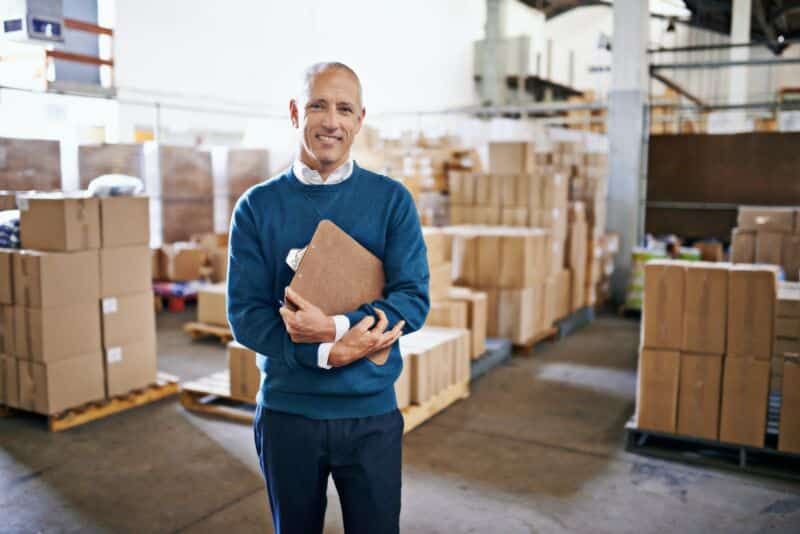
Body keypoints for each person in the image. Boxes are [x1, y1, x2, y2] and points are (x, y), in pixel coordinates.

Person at [227, 62, 430, 534]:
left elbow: (412, 299)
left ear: (360, 119)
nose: (331, 121)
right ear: (296, 112)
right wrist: (325, 353)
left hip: (370, 414)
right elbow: (246, 316)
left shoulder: (391, 201)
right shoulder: (257, 207)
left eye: (344, 108)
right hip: (287, 416)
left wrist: (336, 330)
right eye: (318, 105)